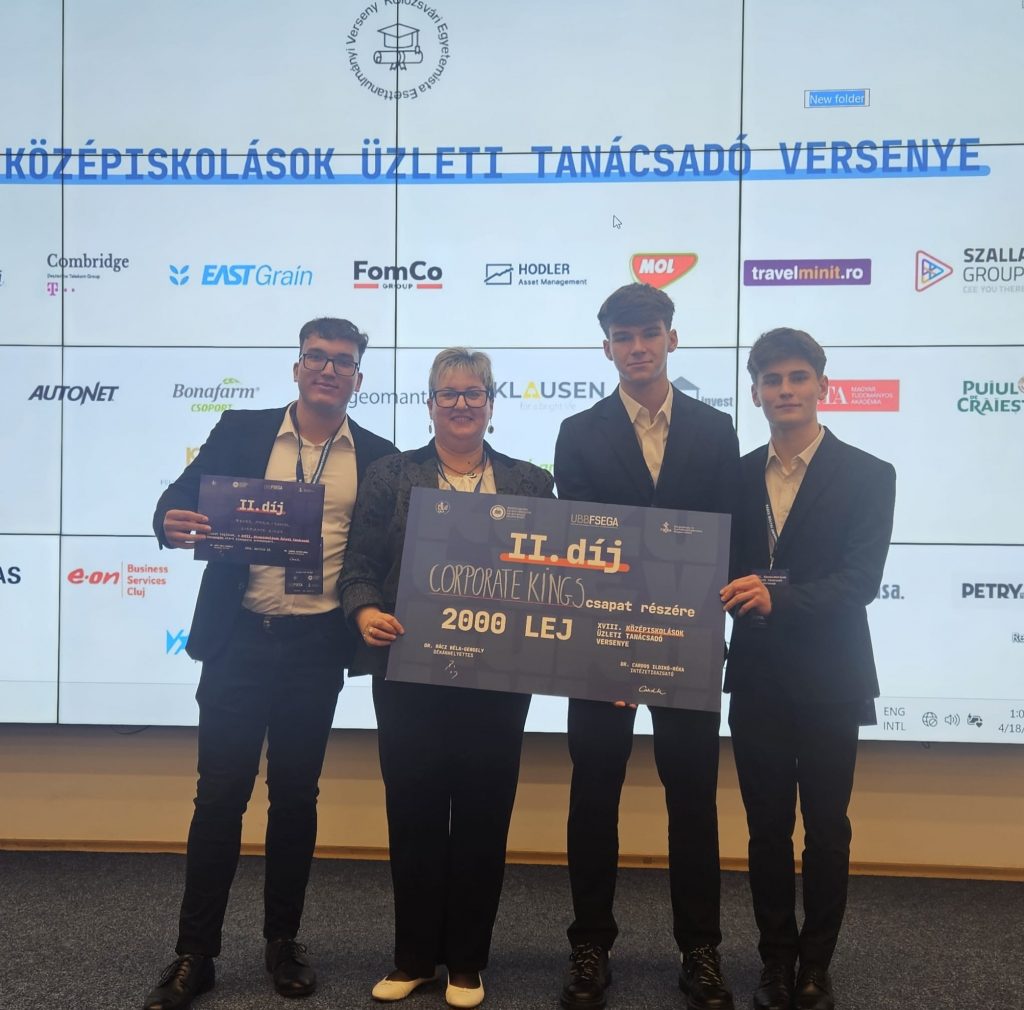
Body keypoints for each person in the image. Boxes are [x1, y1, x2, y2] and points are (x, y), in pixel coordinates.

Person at [142, 317, 397, 1010]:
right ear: (297, 366)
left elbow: (381, 555)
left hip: (315, 649)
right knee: (219, 797)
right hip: (239, 643)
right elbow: (178, 497)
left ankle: (283, 942)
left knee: (295, 800)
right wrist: (168, 520)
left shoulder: (378, 456)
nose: (328, 369)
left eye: (342, 361)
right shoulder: (242, 430)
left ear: (358, 378)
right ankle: (195, 953)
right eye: (316, 356)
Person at [338, 348, 554, 1009]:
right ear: (429, 404)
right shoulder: (390, 474)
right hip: (409, 674)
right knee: (414, 814)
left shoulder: (530, 483)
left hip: (498, 680)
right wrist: (365, 610)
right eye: (448, 393)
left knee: (485, 817)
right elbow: (358, 563)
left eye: (473, 393)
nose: (461, 404)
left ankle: (466, 961)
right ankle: (413, 958)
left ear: (491, 403)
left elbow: (552, 576)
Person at [553, 283, 739, 1010]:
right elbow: (583, 542)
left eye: (650, 333)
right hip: (603, 643)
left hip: (687, 641)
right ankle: (590, 945)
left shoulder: (715, 430)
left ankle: (701, 950)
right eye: (624, 337)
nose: (638, 348)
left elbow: (722, 539)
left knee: (692, 799)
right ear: (607, 348)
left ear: (671, 339)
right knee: (593, 795)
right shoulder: (578, 431)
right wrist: (618, 643)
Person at [720, 328, 896, 1010]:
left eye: (797, 377)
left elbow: (861, 582)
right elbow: (712, 571)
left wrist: (779, 597)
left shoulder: (869, 474)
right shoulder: (735, 476)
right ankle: (775, 961)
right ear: (756, 392)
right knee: (766, 831)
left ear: (823, 385)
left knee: (826, 829)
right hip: (757, 678)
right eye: (771, 380)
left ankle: (816, 965)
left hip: (831, 678)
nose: (785, 390)